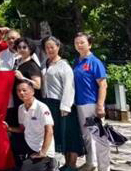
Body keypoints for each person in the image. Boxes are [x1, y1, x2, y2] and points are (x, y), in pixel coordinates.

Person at [42, 36, 83, 171]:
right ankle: (66, 164)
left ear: (58, 47)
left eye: (52, 47)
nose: (49, 49)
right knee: (60, 134)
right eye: (47, 47)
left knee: (70, 134)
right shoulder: (46, 63)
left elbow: (69, 87)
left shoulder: (64, 65)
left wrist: (65, 106)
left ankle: (72, 165)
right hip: (49, 103)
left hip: (63, 104)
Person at [73, 32, 109, 171]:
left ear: (90, 44)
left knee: (99, 137)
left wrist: (100, 105)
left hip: (92, 104)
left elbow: (103, 85)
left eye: (82, 42)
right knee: (86, 136)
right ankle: (90, 162)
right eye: (76, 43)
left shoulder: (95, 62)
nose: (79, 45)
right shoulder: (76, 62)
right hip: (79, 104)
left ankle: (104, 167)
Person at [8, 80, 56, 171]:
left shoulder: (42, 108)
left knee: (25, 169)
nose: (21, 93)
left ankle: (51, 163)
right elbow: (22, 129)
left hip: (41, 149)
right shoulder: (21, 108)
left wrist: (43, 152)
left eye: (24, 90)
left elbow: (49, 130)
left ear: (32, 91)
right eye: (18, 91)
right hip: (28, 145)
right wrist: (8, 128)